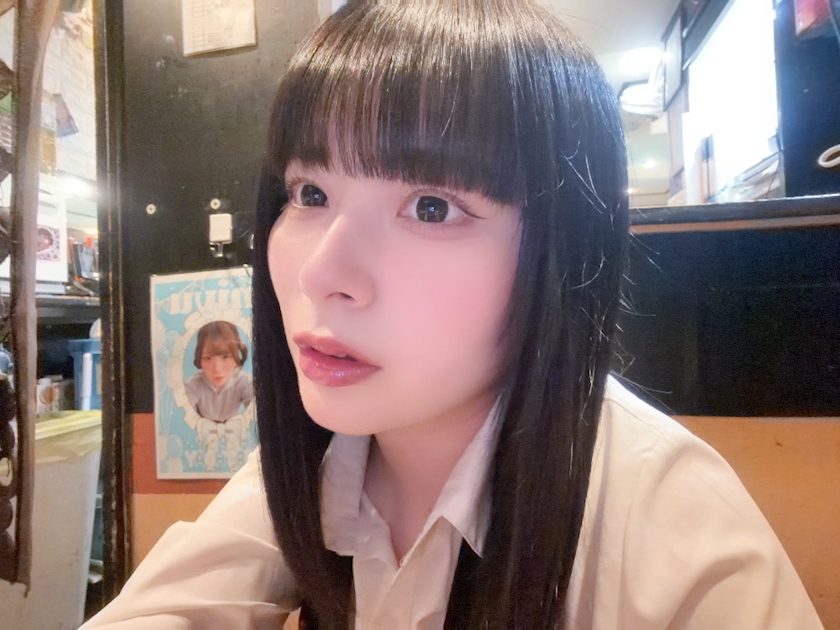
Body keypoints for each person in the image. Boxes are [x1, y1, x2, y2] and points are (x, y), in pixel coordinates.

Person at [82, 1, 824, 628]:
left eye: (431, 207)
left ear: (562, 251)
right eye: (310, 194)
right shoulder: (328, 458)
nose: (322, 272)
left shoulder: (669, 522)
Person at [184, 320, 254, 471]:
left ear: (237, 355)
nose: (217, 369)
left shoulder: (244, 381)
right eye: (208, 358)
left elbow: (256, 409)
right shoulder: (193, 385)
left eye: (225, 357)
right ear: (199, 358)